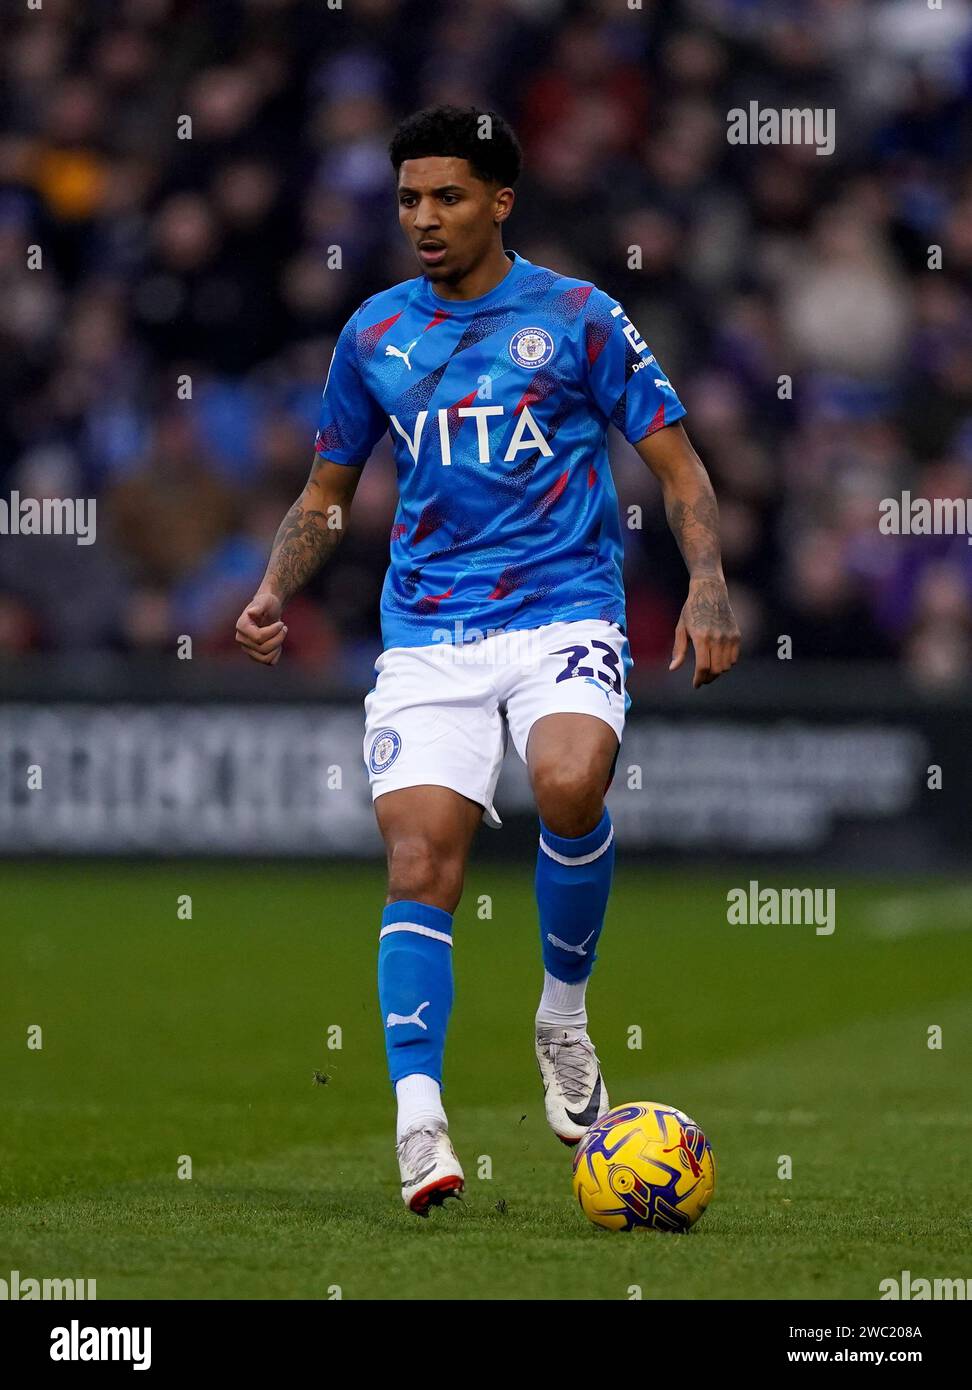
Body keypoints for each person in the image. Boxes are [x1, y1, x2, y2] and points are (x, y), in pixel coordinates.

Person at [235, 105, 740, 1215]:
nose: (423, 217)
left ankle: (563, 1013)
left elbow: (681, 467)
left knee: (569, 780)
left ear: (499, 202)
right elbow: (328, 495)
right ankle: (420, 1122)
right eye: (410, 197)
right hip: (427, 634)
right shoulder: (373, 333)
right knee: (419, 862)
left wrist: (705, 582)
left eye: (448, 196)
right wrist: (277, 585)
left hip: (565, 610)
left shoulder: (577, 317)